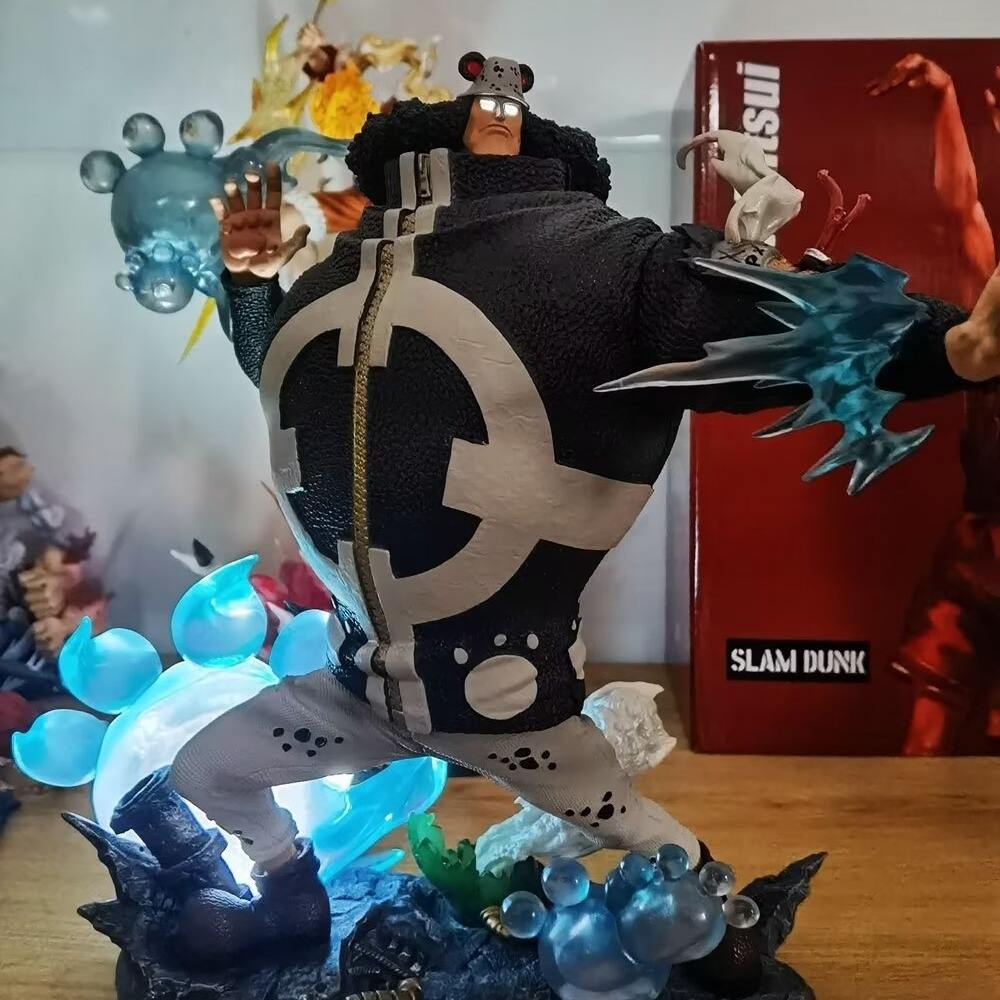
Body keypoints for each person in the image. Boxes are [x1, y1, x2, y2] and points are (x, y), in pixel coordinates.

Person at [169, 52, 1000, 964]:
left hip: (508, 701)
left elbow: (760, 328)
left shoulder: (607, 264)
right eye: (483, 96)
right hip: (355, 689)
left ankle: (724, 936)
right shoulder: (338, 276)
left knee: (638, 830)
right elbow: (286, 377)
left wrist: (943, 348)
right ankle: (290, 899)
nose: (493, 106)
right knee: (207, 771)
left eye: (506, 98)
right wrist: (250, 285)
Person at [869, 52, 1000, 754]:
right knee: (924, 738)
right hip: (977, 555)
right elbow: (961, 211)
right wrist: (948, 103)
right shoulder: (990, 328)